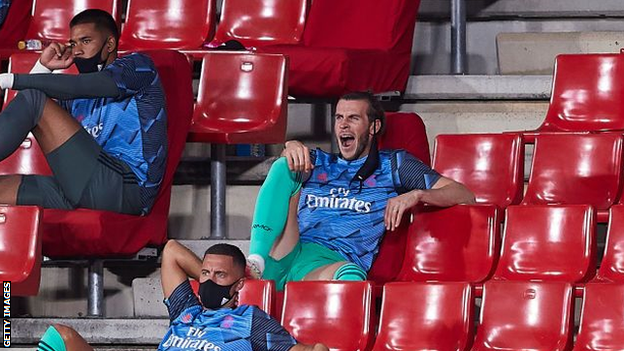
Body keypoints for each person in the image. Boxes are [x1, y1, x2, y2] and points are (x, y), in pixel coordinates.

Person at [247, 91, 475, 290]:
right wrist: (291, 145)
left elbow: (464, 194)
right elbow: (286, 169)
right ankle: (256, 259)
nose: (343, 125)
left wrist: (418, 195)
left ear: (374, 126)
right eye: (339, 118)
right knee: (284, 165)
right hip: (286, 250)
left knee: (351, 277)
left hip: (328, 262)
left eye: (353, 118)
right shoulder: (318, 161)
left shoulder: (394, 165)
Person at [0, 9, 167, 215]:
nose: (77, 50)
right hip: (85, 185)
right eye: (73, 44)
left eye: (85, 41)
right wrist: (43, 67)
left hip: (127, 189)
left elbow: (92, 85)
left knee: (34, 99)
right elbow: (23, 116)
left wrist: (5, 80)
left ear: (110, 44)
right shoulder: (72, 97)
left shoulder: (139, 67)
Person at [35, 241, 329, 351]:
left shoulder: (251, 319)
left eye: (221, 276)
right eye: (205, 274)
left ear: (239, 285)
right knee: (60, 336)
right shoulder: (186, 309)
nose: (210, 282)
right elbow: (172, 250)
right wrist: (212, 274)